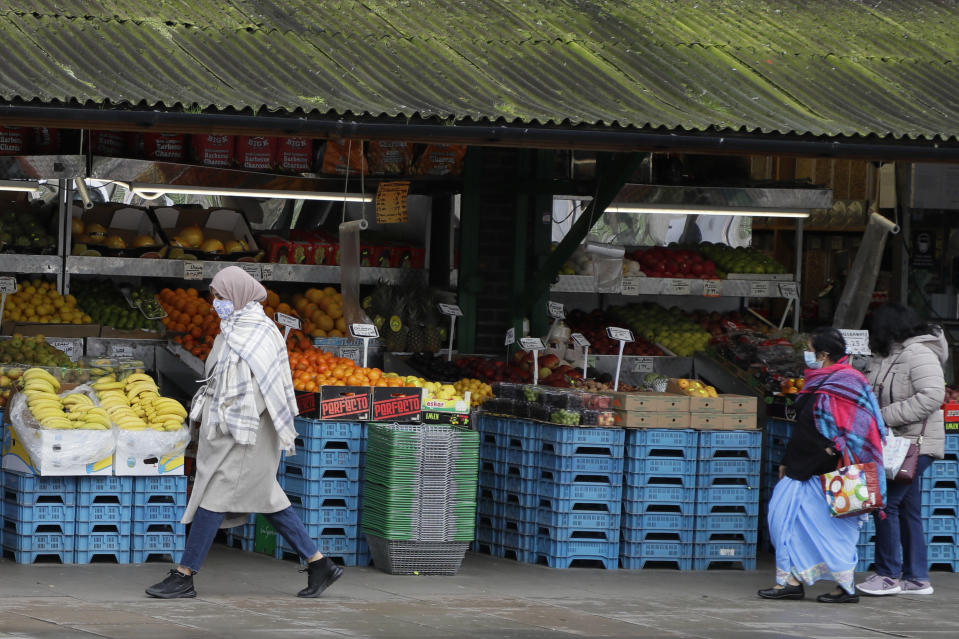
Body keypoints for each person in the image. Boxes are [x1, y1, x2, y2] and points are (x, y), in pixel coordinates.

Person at [146, 266, 342, 599]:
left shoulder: (259, 332)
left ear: (237, 295)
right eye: (214, 295)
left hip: (246, 432)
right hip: (231, 429)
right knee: (268, 497)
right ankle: (319, 563)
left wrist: (234, 420)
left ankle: (184, 574)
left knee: (215, 495)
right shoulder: (233, 328)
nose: (215, 302)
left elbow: (267, 386)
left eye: (221, 295)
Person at [758, 327, 886, 604]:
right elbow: (807, 425)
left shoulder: (848, 381)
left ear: (823, 354)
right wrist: (788, 460)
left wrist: (832, 449)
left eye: (809, 347)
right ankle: (791, 581)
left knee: (833, 531)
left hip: (830, 469)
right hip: (804, 465)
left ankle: (844, 586)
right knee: (786, 521)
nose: (806, 353)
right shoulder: (818, 379)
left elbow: (861, 426)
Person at [856, 304, 947, 596]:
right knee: (908, 509)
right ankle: (917, 578)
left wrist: (885, 416)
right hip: (897, 445)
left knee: (885, 505)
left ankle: (887, 574)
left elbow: (933, 395)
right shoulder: (886, 356)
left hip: (914, 445)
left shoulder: (919, 353)